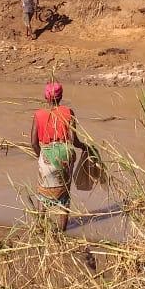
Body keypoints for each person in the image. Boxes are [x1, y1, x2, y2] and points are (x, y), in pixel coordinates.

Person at [30, 81, 89, 232]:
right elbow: (74, 140)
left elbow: (33, 143)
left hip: (46, 157)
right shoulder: (69, 113)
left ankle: (39, 227)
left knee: (43, 193)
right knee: (65, 195)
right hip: (64, 156)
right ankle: (62, 230)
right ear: (61, 96)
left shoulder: (38, 115)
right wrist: (85, 147)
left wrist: (41, 157)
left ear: (45, 97)